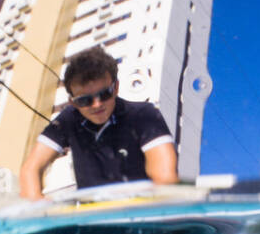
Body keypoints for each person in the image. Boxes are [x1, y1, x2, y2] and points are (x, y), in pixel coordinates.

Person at [19, 46, 178, 198]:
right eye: (85, 100)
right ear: (73, 102)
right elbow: (31, 169)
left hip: (142, 213)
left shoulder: (144, 115)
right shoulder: (69, 119)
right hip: (96, 219)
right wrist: (37, 202)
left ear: (115, 87)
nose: (97, 105)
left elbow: (165, 177)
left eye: (104, 94)